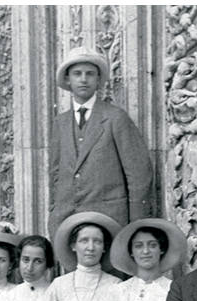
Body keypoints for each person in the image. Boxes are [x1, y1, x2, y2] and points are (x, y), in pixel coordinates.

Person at [48, 46, 153, 237]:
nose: (83, 79)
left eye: (90, 74)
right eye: (77, 74)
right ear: (67, 80)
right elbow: (55, 174)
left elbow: (139, 174)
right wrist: (55, 214)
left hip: (109, 222)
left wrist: (136, 227)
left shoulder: (115, 118)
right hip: (68, 223)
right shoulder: (60, 123)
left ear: (98, 80)